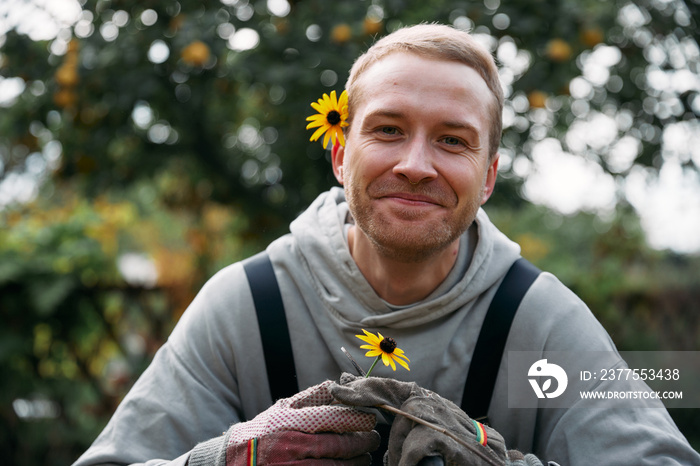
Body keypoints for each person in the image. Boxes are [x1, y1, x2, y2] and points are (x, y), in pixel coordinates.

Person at [73, 23, 700, 466]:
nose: (416, 165)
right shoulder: (244, 306)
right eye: (389, 130)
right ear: (341, 152)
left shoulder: (540, 322)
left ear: (487, 178)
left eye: (453, 140)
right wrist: (223, 461)